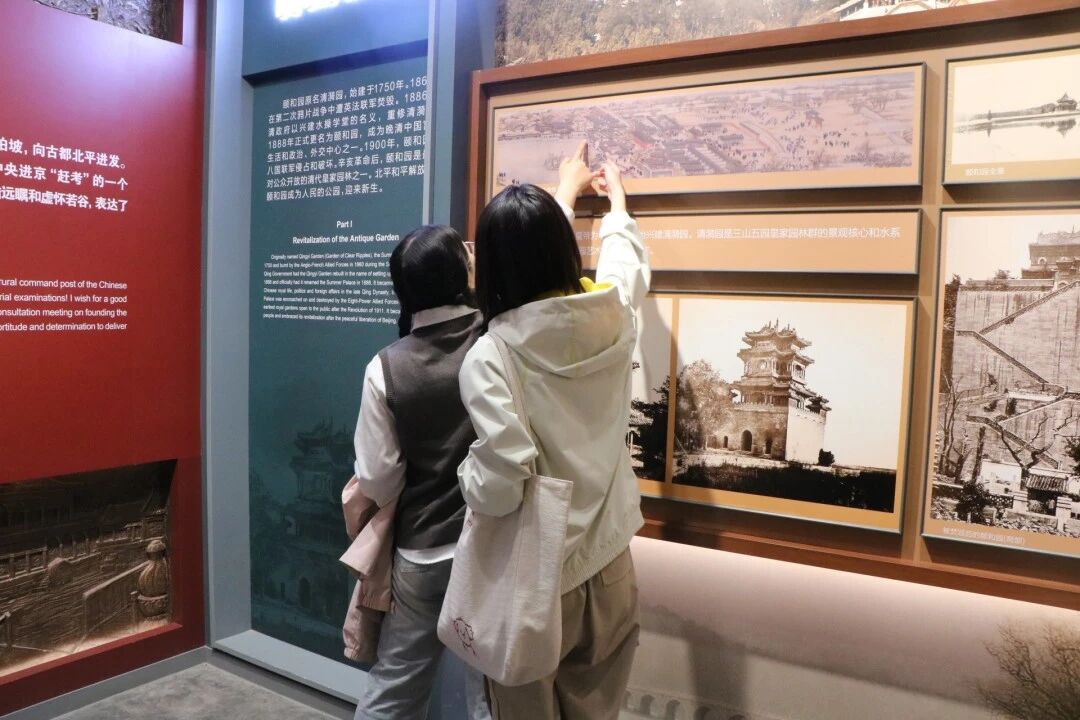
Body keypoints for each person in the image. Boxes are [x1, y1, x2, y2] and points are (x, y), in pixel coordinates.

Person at [458, 142, 650, 720]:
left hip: (535, 579)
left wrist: (466, 474)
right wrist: (616, 208)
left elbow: (499, 487)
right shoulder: (613, 318)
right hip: (612, 563)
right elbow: (623, 273)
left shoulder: (492, 355)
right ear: (564, 252)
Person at [351, 225, 490, 720]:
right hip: (490, 548)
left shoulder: (385, 366)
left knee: (396, 687)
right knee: (490, 695)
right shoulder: (495, 340)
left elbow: (378, 478)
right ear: (460, 273)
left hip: (421, 550)